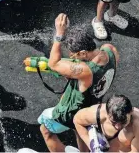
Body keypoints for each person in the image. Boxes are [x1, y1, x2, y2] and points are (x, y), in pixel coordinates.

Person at [37, 13, 119, 152]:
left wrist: (60, 34)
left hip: (72, 111)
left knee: (45, 130)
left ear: (83, 53)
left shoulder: (85, 72)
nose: (71, 57)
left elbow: (53, 63)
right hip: (92, 105)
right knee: (81, 129)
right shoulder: (109, 50)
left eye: (74, 55)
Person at [73, 95, 139, 152]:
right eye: (113, 122)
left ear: (131, 111)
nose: (118, 126)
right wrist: (92, 146)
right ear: (107, 114)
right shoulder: (97, 113)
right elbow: (77, 121)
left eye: (123, 121)